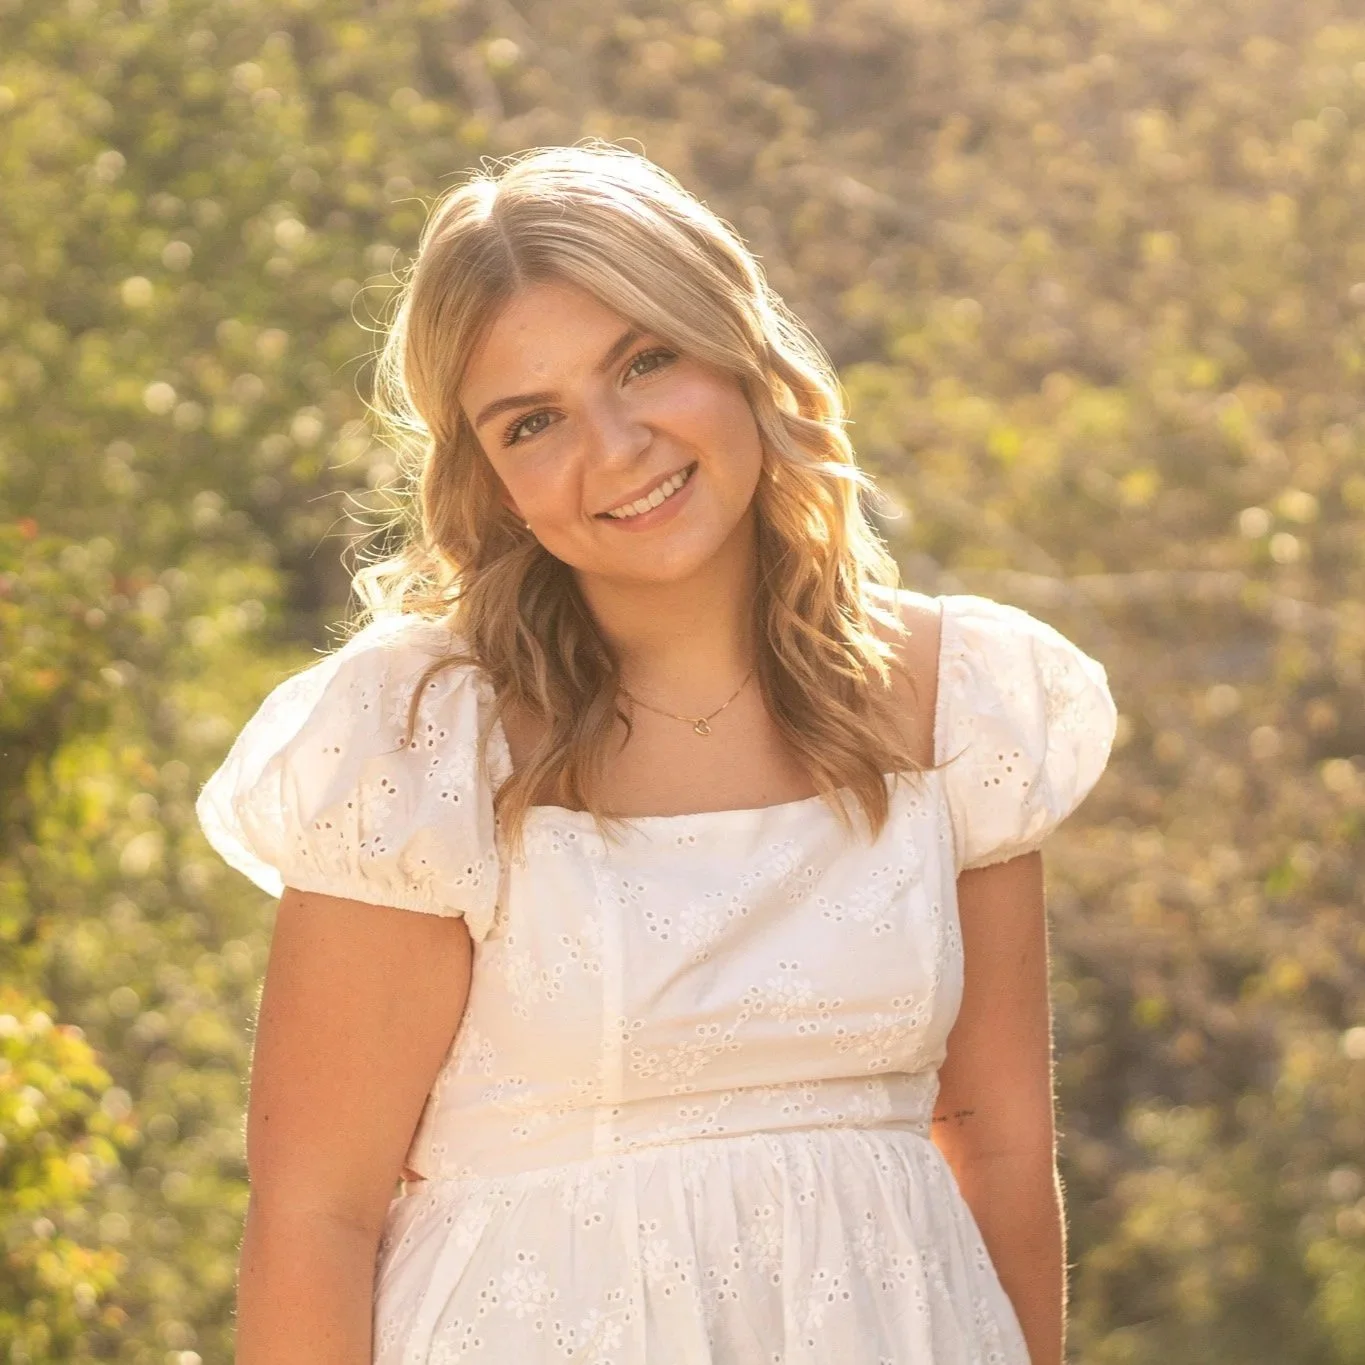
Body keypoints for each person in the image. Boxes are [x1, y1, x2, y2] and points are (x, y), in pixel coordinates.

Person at [196, 141, 1118, 1365]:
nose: (617, 446)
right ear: (491, 477)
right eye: (534, 422)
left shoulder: (962, 703)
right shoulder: (421, 739)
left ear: (737, 349)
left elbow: (1000, 1144)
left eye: (645, 361)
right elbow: (317, 1216)